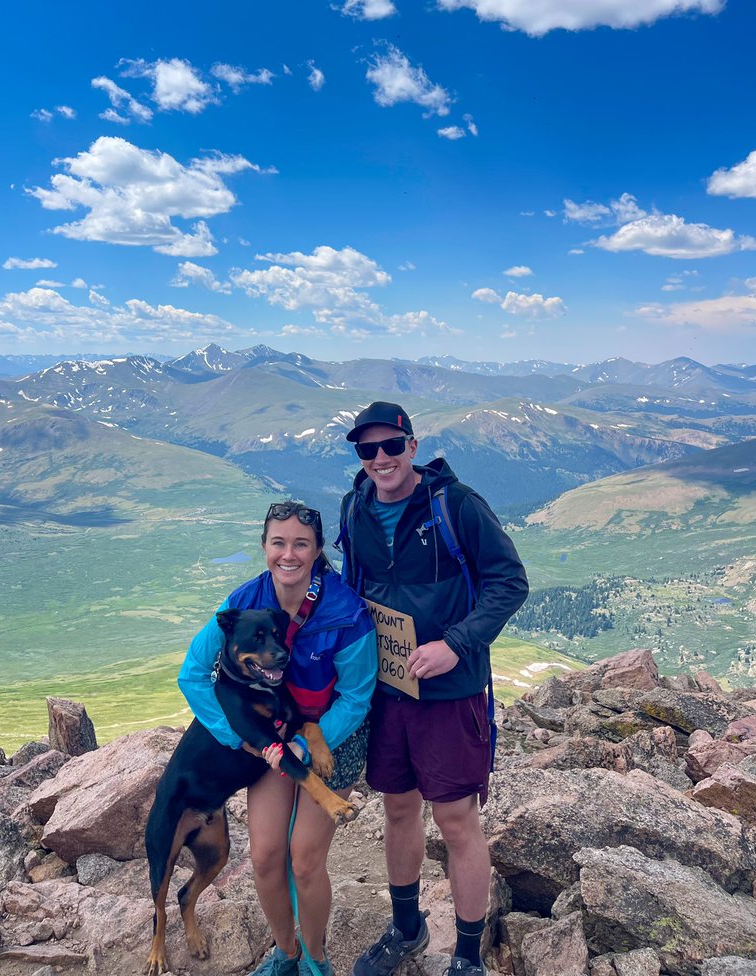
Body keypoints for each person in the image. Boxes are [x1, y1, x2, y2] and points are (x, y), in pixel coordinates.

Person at [338, 402, 528, 976]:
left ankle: (467, 956)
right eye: (367, 450)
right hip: (387, 688)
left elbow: (509, 581)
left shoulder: (456, 505)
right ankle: (406, 929)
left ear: (412, 447)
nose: (380, 459)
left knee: (455, 820)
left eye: (390, 446)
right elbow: (353, 585)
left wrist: (456, 643)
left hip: (451, 692)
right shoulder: (356, 508)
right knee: (398, 809)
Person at [178, 501, 377, 976]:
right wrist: (233, 737)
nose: (288, 554)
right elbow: (192, 674)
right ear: (265, 547)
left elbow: (356, 698)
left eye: (300, 544)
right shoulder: (242, 602)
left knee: (304, 860)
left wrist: (304, 746)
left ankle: (316, 959)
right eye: (278, 543)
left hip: (333, 740)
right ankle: (285, 954)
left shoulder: (346, 612)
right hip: (271, 741)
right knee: (266, 856)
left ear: (316, 550)